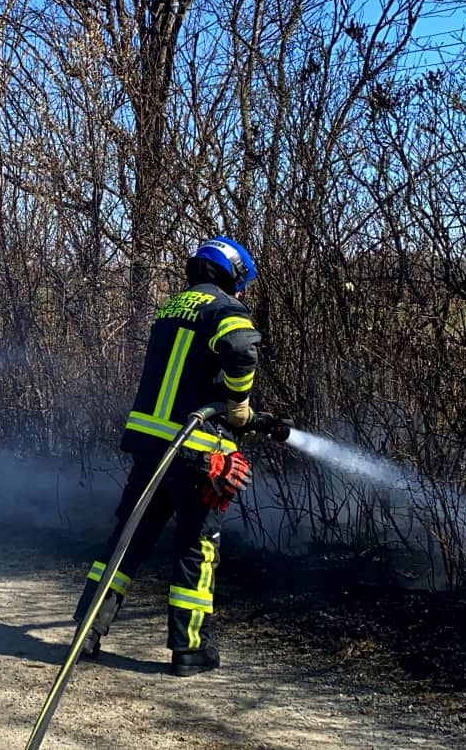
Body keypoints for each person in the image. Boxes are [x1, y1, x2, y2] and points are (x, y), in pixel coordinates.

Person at [72, 236, 292, 676]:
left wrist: (241, 415)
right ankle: (190, 650)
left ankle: (88, 631)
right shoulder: (226, 309)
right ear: (231, 275)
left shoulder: (170, 310)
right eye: (242, 283)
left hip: (151, 447)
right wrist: (240, 405)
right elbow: (241, 349)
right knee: (196, 548)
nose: (242, 292)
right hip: (198, 453)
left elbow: (188, 381)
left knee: (127, 540)